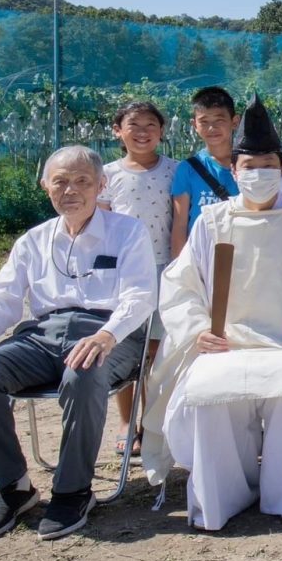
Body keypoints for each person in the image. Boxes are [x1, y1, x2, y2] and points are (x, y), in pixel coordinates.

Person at [141, 94, 282, 531]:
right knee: (210, 398)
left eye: (267, 165)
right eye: (250, 166)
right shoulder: (213, 222)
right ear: (234, 171)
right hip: (225, 345)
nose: (259, 174)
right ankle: (224, 497)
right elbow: (180, 285)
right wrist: (197, 330)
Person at [0, 145, 156, 541]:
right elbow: (3, 297)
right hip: (42, 336)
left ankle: (73, 490)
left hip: (110, 334)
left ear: (101, 185)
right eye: (60, 181)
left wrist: (106, 334)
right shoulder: (33, 240)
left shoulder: (128, 231)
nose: (71, 190)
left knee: (83, 372)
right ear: (45, 186)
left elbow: (140, 296)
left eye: (82, 181)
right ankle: (13, 489)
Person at [97, 100, 177, 457]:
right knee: (124, 346)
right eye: (133, 125)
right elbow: (99, 225)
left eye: (150, 125)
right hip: (124, 273)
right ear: (118, 131)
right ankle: (127, 422)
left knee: (156, 350)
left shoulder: (176, 171)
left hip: (166, 268)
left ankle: (153, 422)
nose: (142, 132)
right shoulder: (107, 175)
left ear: (162, 132)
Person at [170, 86, 240, 260]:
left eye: (219, 120)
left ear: (235, 121)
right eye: (204, 121)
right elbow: (180, 224)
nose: (211, 128)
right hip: (201, 256)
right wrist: (178, 268)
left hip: (242, 253)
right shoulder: (187, 168)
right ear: (194, 125)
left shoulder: (248, 164)